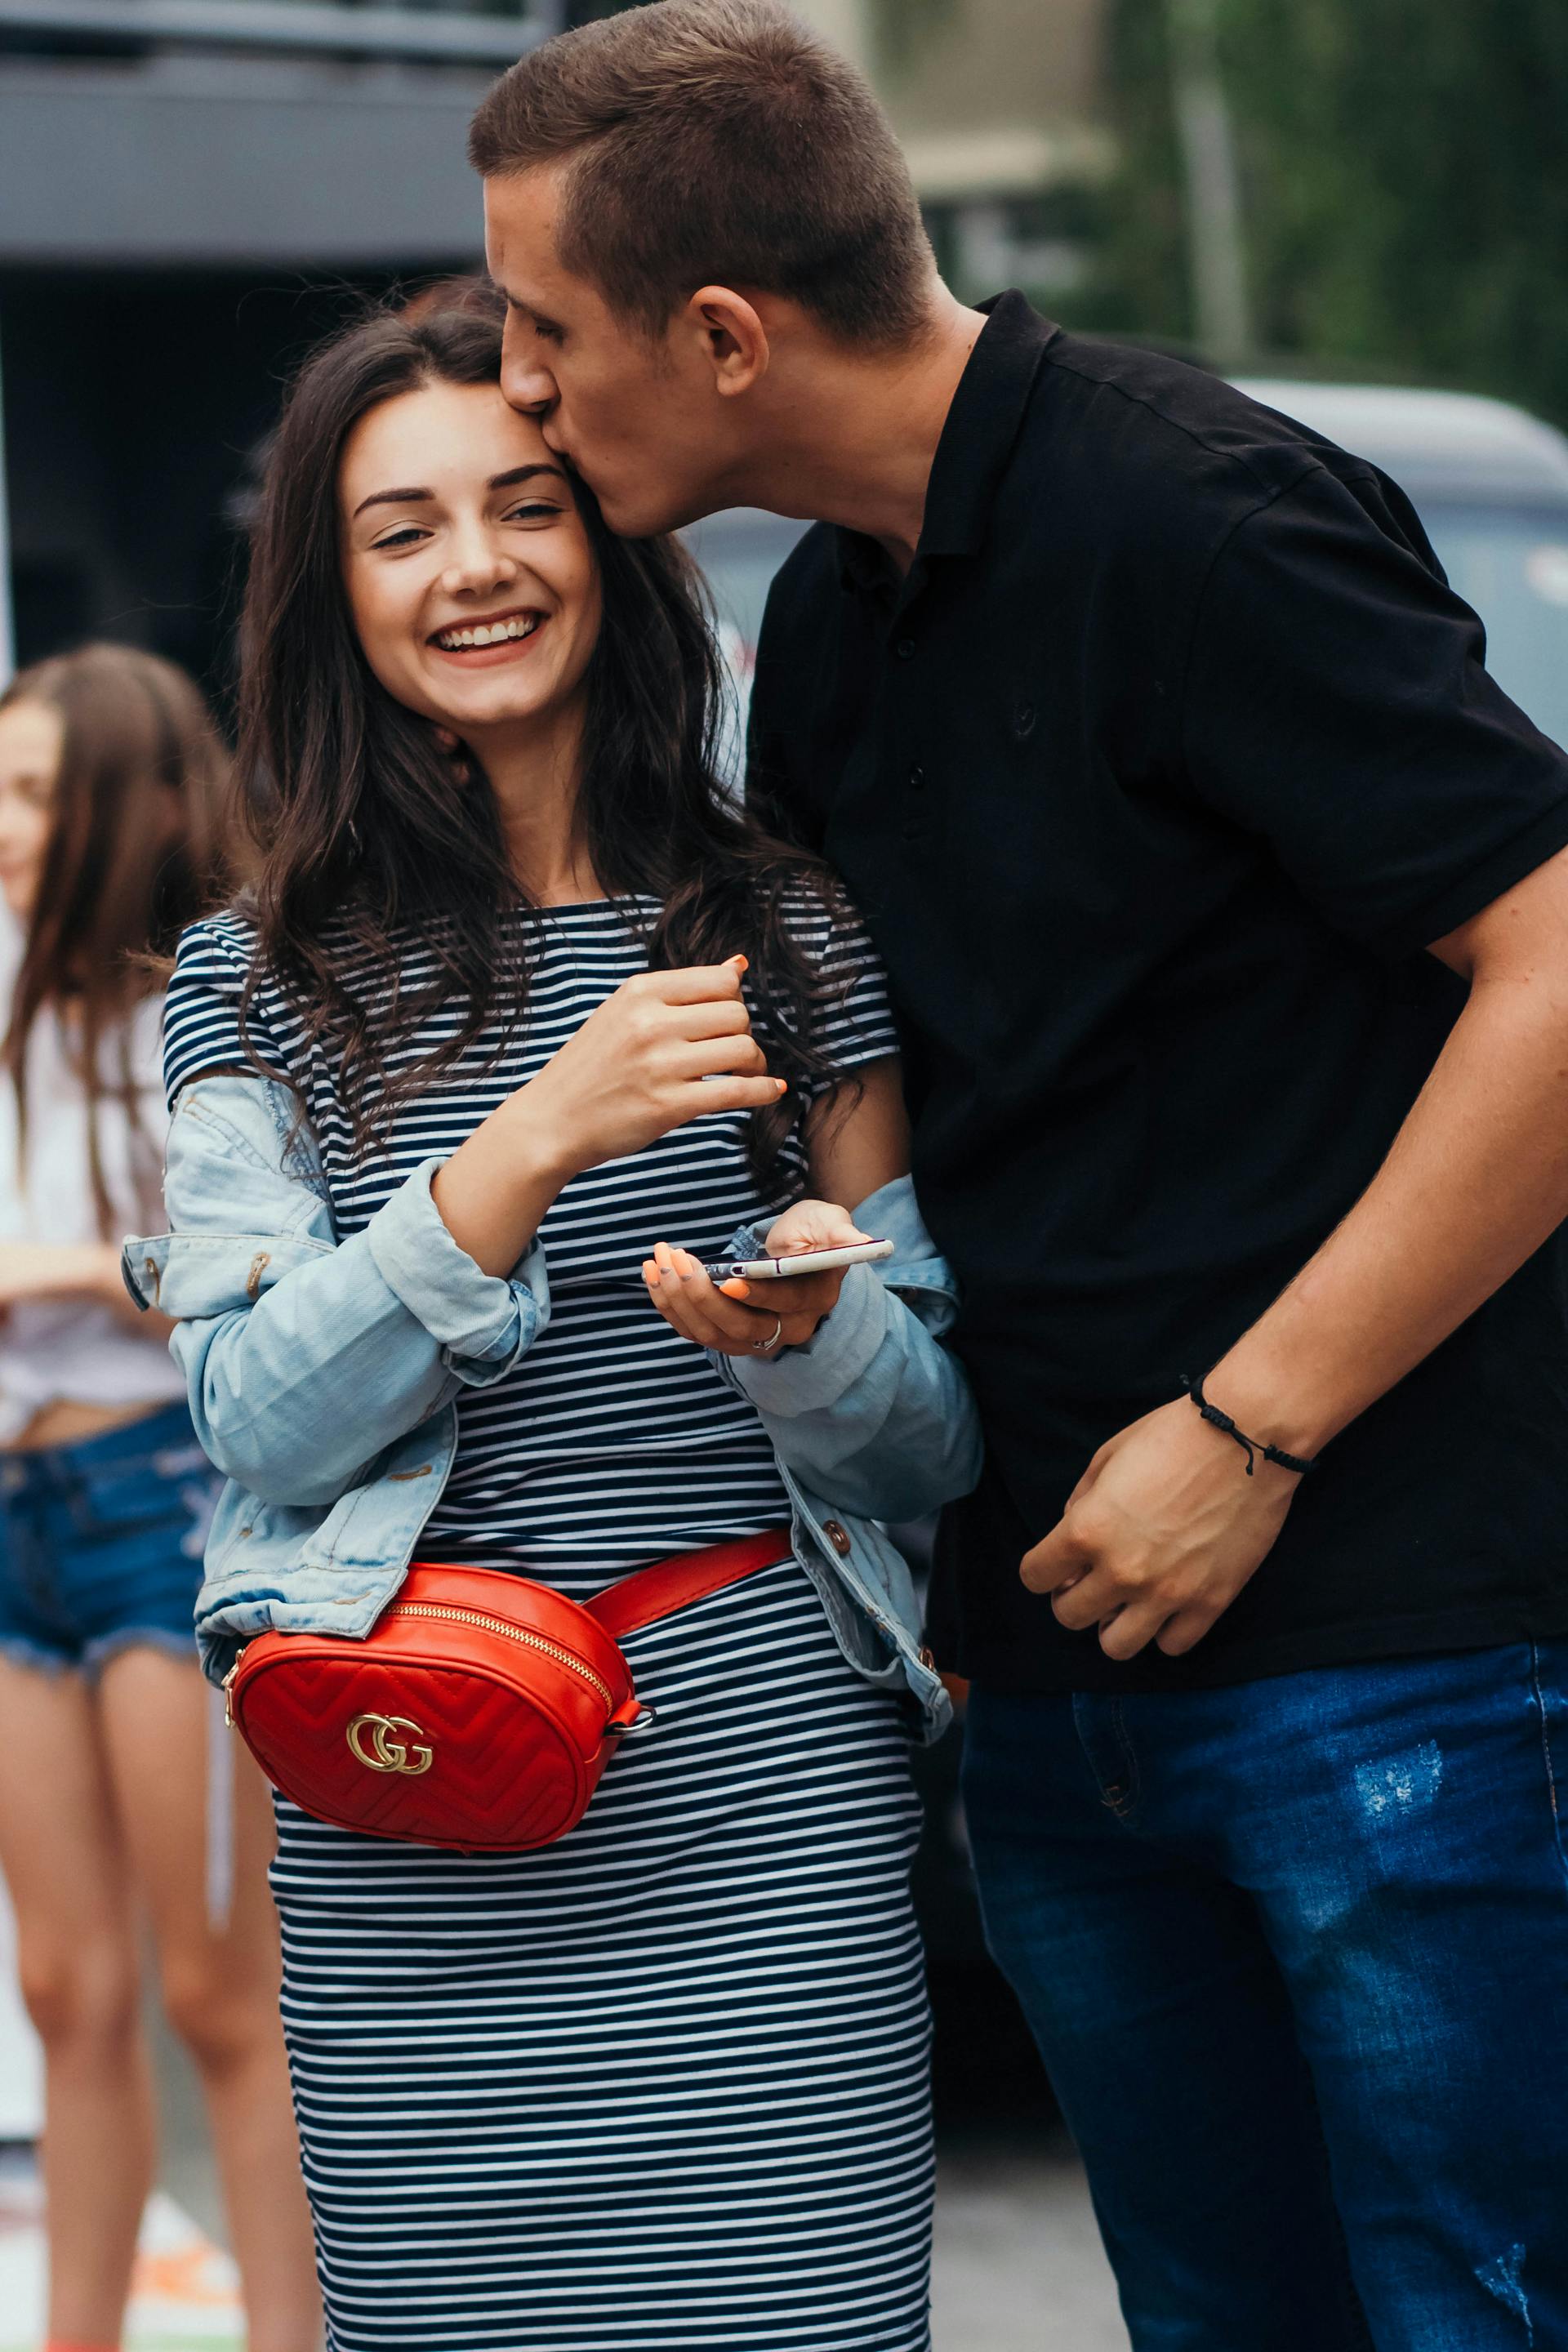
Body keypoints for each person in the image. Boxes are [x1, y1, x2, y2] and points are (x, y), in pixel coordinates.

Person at [470, 5, 1568, 2347]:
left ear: (727, 334)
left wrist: (1252, 1429)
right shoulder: (841, 635)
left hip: (1404, 1665)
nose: (529, 400)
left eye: (548, 340)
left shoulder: (1195, 510)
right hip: (1061, 1683)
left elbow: (1559, 964)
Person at [123, 301, 978, 2352]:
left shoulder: (790, 928)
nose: (476, 564)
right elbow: (258, 1414)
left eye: (525, 504)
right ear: (334, 593)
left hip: (761, 1786)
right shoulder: (254, 974)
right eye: (401, 528)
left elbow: (930, 1438)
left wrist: (811, 1338)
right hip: (414, 1781)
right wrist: (540, 1132)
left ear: (612, 540)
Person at [0, 646, 320, 2352]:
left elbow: (256, 1270)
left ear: (132, 804)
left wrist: (40, 1268)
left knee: (221, 1998)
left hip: (162, 1499)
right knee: (65, 1992)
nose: (5, 822)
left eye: (39, 789)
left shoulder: (210, 995)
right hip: (10, 1519)